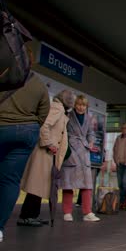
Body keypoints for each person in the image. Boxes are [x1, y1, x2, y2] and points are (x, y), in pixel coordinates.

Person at [0, 72, 50, 242]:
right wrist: (31, 127)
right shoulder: (38, 83)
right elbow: (44, 113)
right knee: (11, 181)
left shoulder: (4, 74)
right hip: (26, 132)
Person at [18, 89, 75, 227]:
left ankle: (32, 215)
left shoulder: (58, 108)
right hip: (45, 153)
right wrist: (49, 143)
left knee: (39, 184)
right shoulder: (57, 108)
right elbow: (44, 126)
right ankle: (27, 216)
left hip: (47, 154)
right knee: (36, 185)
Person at [59, 95, 100, 222]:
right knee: (68, 183)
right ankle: (67, 212)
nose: (81, 107)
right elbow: (62, 131)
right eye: (79, 104)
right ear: (75, 105)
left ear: (86, 106)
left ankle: (87, 212)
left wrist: (91, 141)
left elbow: (91, 133)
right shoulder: (68, 116)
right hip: (70, 150)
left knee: (87, 184)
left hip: (84, 151)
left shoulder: (89, 118)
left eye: (84, 105)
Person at [113, 123, 126, 210]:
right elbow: (114, 149)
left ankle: (125, 201)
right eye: (123, 128)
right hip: (119, 163)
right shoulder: (118, 138)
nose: (124, 129)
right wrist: (115, 160)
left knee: (125, 182)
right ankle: (122, 202)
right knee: (120, 183)